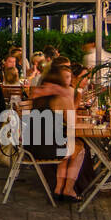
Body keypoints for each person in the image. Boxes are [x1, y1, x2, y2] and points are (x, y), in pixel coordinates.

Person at [24, 67, 87, 201]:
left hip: (29, 147)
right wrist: (68, 97)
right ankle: (68, 190)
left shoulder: (38, 97)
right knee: (78, 147)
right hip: (46, 149)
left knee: (68, 146)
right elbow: (72, 122)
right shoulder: (60, 99)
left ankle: (59, 189)